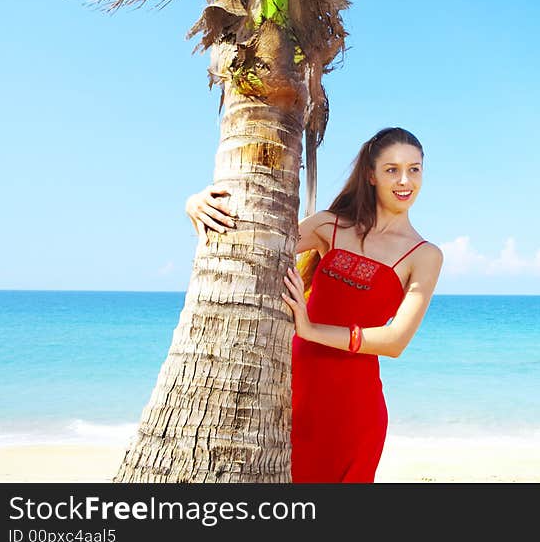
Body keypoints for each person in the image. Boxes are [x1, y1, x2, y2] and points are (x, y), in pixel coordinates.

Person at [184, 126, 444, 482]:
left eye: (414, 169)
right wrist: (194, 203)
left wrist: (310, 329)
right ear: (371, 175)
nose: (405, 180)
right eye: (392, 169)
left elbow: (395, 341)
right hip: (289, 393)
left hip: (354, 408)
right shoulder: (329, 226)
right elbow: (253, 238)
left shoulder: (425, 254)